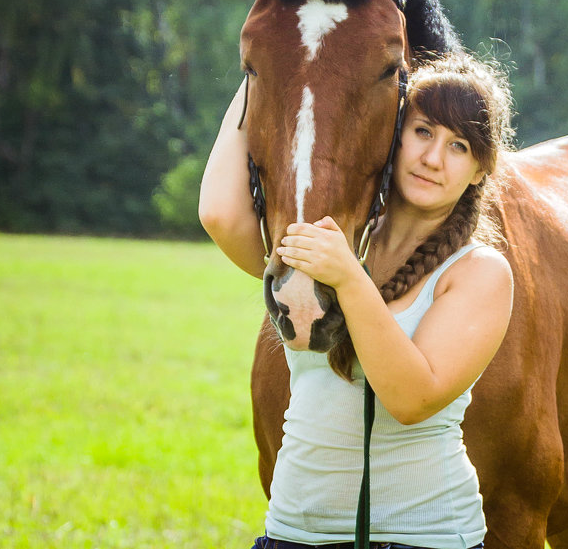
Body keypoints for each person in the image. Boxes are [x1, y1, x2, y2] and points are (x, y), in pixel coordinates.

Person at [198, 53, 515, 549]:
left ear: (480, 170)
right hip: (294, 534)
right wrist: (263, 70)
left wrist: (348, 277)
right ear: (392, 136)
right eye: (423, 132)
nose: (433, 158)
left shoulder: (480, 273)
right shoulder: (333, 244)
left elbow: (411, 399)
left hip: (423, 539)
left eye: (459, 147)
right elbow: (219, 214)